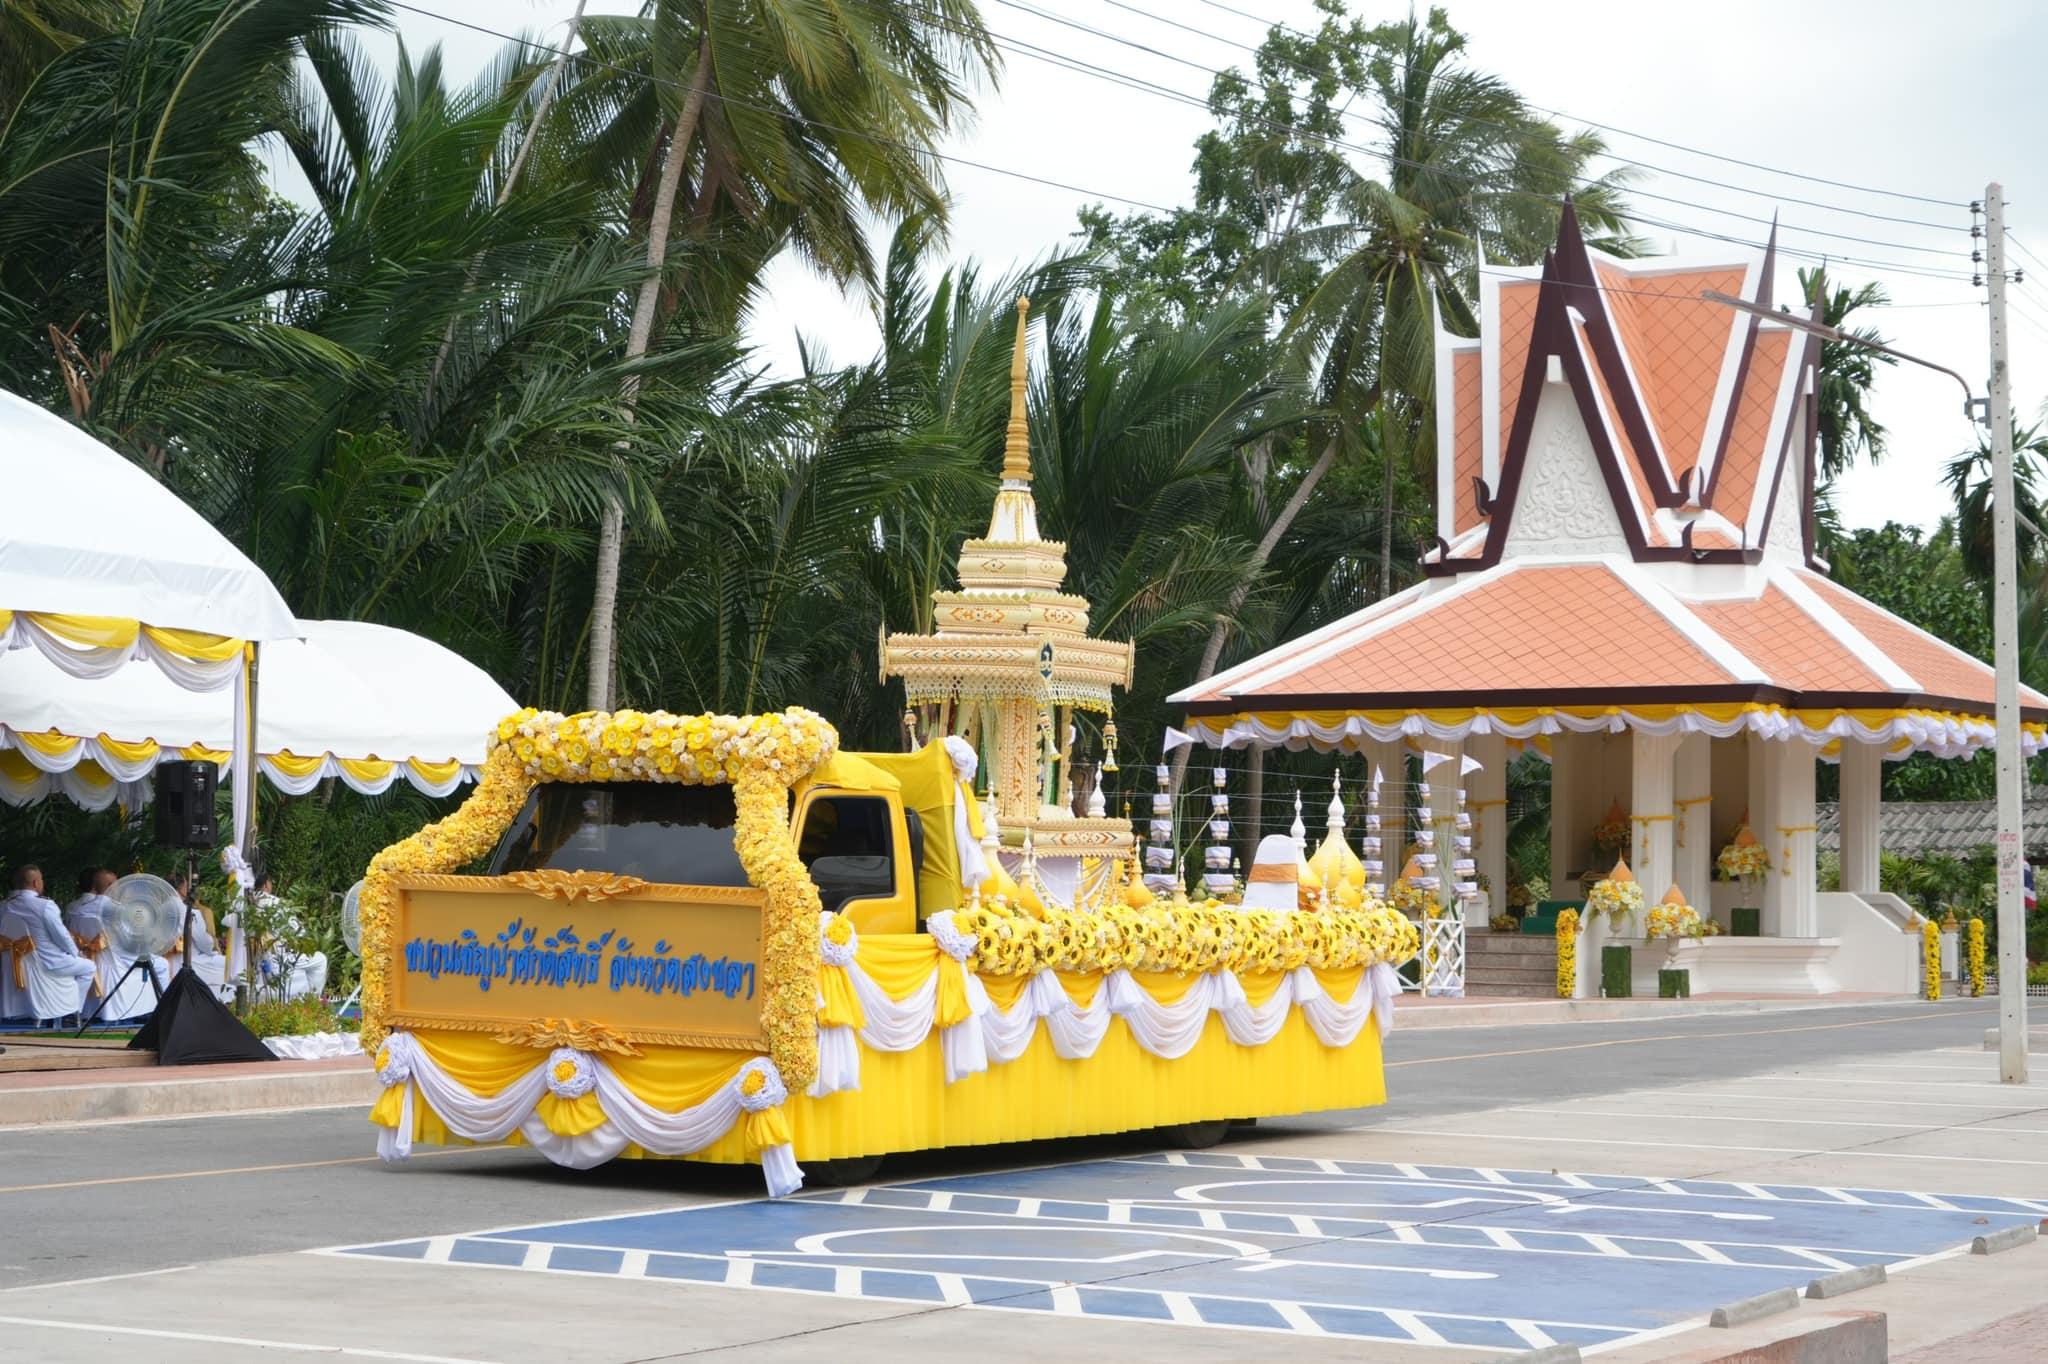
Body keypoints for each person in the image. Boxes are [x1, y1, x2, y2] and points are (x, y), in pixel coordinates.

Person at [0, 865, 98, 1024]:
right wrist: (76, 953)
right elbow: (62, 937)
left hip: (13, 963)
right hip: (48, 963)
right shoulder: (44, 905)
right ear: (35, 883)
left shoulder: (3, 907)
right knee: (89, 967)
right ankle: (72, 1013)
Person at [69, 867, 168, 1023]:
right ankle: (162, 1011)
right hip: (119, 960)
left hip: (90, 959)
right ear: (112, 886)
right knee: (162, 964)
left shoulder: (78, 911)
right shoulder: (119, 911)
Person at [251, 871, 328, 1000]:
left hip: (258, 958)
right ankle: (313, 1000)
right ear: (266, 885)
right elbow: (298, 932)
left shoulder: (247, 903)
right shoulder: (275, 903)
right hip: (280, 958)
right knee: (320, 960)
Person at [165, 870, 230, 997]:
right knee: (230, 966)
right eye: (186, 886)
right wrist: (212, 947)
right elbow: (205, 943)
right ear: (182, 888)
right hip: (190, 961)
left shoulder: (157, 911)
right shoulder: (189, 912)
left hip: (166, 962)